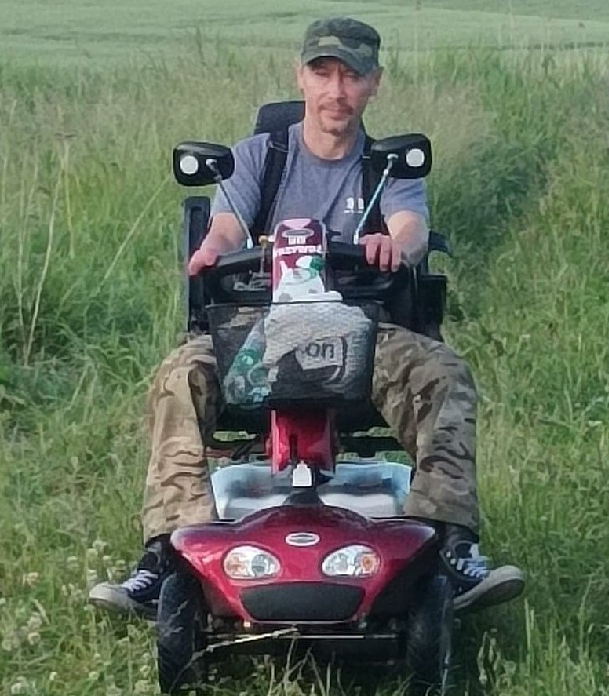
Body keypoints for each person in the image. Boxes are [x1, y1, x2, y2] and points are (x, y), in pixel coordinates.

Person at [89, 17, 524, 620]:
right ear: (301, 77)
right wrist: (213, 250)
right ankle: (165, 553)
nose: (335, 91)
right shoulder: (257, 158)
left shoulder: (388, 168)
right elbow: (225, 227)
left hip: (361, 332)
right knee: (180, 374)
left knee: (443, 373)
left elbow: (411, 229)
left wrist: (394, 246)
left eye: (351, 77)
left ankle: (451, 546)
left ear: (374, 83)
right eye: (323, 74)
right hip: (258, 333)